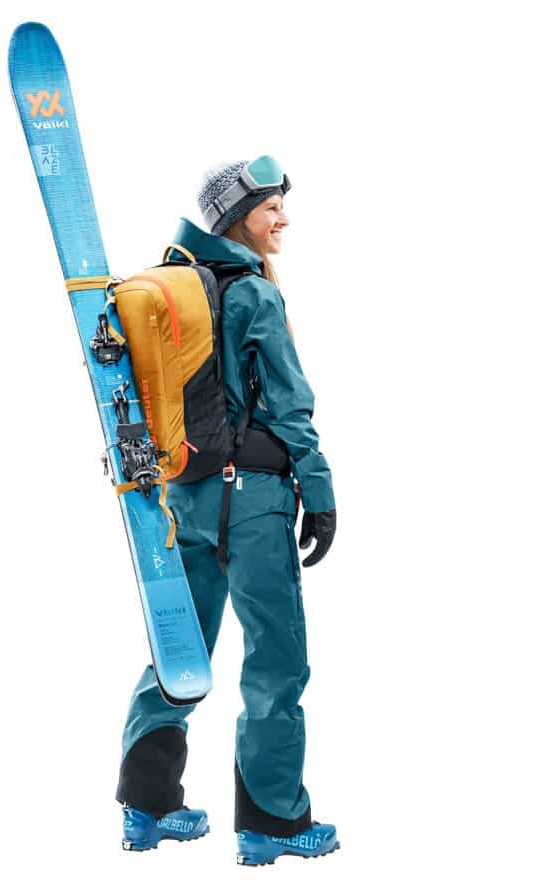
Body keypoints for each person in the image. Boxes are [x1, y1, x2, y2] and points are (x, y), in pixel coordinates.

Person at [114, 156, 340, 866]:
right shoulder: (253, 294)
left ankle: (148, 810)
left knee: (180, 648)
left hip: (182, 496)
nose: (282, 219)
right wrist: (320, 493)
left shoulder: (178, 288)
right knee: (276, 660)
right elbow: (291, 405)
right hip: (255, 507)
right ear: (240, 216)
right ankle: (272, 823)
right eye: (271, 207)